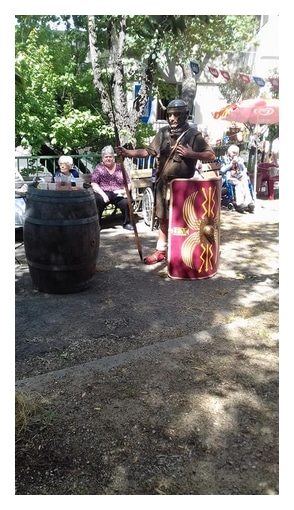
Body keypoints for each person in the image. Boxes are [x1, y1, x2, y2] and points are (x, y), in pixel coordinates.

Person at [116, 98, 216, 264]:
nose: (172, 118)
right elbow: (147, 152)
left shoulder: (193, 135)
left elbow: (211, 154)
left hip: (184, 187)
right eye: (170, 115)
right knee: (163, 218)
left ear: (184, 115)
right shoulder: (162, 133)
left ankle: (184, 254)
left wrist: (192, 154)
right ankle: (161, 251)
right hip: (163, 185)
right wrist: (127, 152)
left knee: (184, 220)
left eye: (176, 114)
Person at [91, 145, 134, 231]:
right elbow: (94, 183)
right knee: (96, 199)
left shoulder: (119, 167)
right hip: (104, 192)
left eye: (110, 156)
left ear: (113, 157)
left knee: (126, 201)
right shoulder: (99, 168)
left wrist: (125, 191)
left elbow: (128, 182)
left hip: (119, 192)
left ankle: (127, 223)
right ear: (103, 158)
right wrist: (103, 195)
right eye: (106, 157)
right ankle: (97, 224)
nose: (108, 158)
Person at [220, 144, 255, 213]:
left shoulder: (240, 159)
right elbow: (222, 170)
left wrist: (239, 163)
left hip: (239, 176)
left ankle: (248, 202)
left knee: (245, 181)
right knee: (238, 183)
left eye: (236, 153)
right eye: (233, 152)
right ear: (229, 152)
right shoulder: (224, 159)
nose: (235, 154)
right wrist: (231, 164)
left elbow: (244, 169)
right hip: (229, 177)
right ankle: (240, 203)